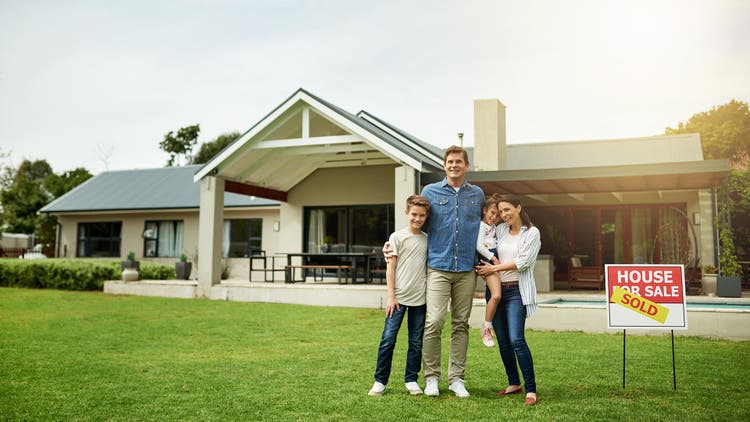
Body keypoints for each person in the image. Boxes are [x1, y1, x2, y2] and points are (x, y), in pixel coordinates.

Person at [386, 145, 484, 398]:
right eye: (450, 161)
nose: (454, 165)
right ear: (444, 165)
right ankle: (431, 378)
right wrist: (393, 242)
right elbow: (417, 221)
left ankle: (456, 379)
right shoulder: (430, 191)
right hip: (438, 267)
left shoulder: (477, 194)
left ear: (466, 165)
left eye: (459, 162)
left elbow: (485, 228)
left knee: (461, 324)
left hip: (466, 268)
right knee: (434, 322)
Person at [476, 194, 541, 406]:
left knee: (516, 340)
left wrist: (493, 267)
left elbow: (523, 262)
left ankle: (531, 389)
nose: (503, 215)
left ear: (518, 208)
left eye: (507, 210)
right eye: (501, 211)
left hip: (516, 292)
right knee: (503, 342)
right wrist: (482, 267)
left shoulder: (532, 232)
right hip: (496, 291)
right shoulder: (501, 229)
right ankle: (514, 383)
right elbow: (484, 242)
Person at [368, 195, 430, 396]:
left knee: (416, 342)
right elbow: (390, 269)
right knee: (388, 339)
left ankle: (411, 380)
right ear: (406, 213)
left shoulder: (428, 240)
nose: (417, 219)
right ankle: (380, 381)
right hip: (398, 299)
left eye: (421, 215)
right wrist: (391, 296)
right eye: (414, 214)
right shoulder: (397, 237)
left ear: (426, 216)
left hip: (420, 299)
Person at [477, 193, 502, 348]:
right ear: (485, 210)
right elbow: (478, 246)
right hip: (488, 261)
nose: (494, 217)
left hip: (495, 260)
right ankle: (486, 327)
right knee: (497, 295)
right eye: (492, 213)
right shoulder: (481, 226)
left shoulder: (494, 228)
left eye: (498, 215)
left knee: (499, 295)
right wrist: (493, 259)